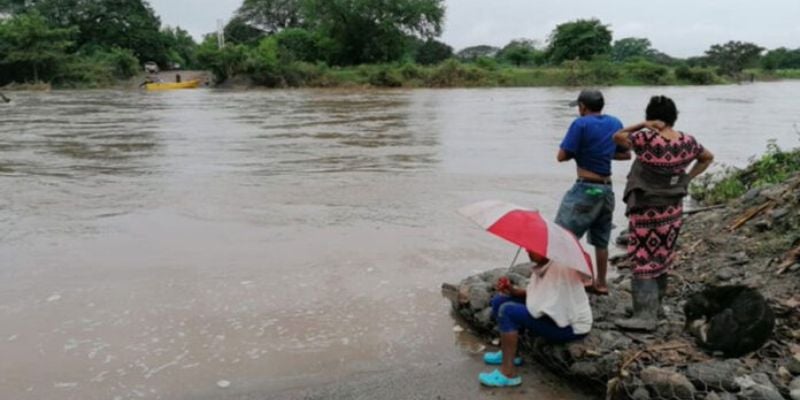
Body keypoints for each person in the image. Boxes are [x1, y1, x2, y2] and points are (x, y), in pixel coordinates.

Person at [613, 95, 714, 331]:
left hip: (647, 210)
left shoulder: (646, 138)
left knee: (643, 259)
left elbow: (617, 136)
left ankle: (644, 317)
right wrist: (687, 177)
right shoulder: (687, 140)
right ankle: (655, 308)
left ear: (651, 116)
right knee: (662, 257)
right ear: (674, 117)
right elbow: (707, 157)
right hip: (672, 210)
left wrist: (641, 124)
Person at [478, 252, 592, 387]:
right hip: (554, 314)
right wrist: (512, 290)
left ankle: (508, 374)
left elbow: (546, 308)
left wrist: (521, 309)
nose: (528, 250)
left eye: (532, 248)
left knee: (507, 311)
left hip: (570, 326)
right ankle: (511, 355)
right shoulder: (545, 265)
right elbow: (536, 294)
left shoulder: (560, 271)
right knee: (499, 300)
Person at [556, 89, 630, 296]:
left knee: (563, 234)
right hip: (606, 189)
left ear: (582, 107)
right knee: (601, 239)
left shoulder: (580, 124)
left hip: (585, 187)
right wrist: (601, 151)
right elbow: (626, 155)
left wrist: (582, 150)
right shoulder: (615, 122)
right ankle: (602, 283)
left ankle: (583, 276)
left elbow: (561, 156)